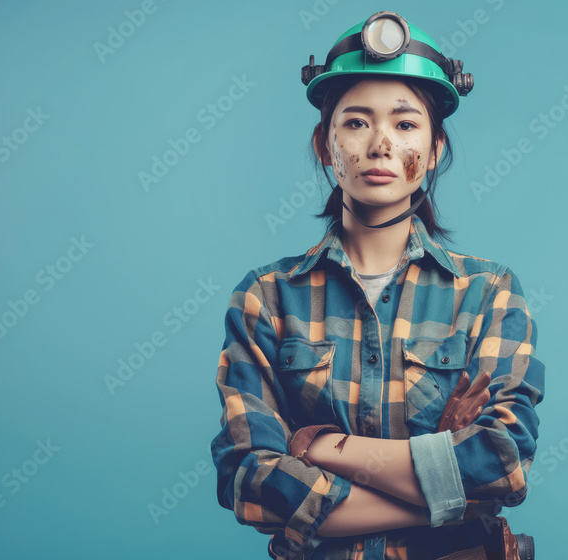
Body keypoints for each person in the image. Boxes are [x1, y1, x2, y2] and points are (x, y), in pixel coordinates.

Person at [210, 11, 545, 560]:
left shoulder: (488, 294)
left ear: (435, 149)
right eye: (357, 122)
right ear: (325, 144)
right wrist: (446, 493)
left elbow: (502, 464)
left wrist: (323, 448)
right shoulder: (267, 298)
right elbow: (250, 485)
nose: (382, 143)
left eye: (406, 123)